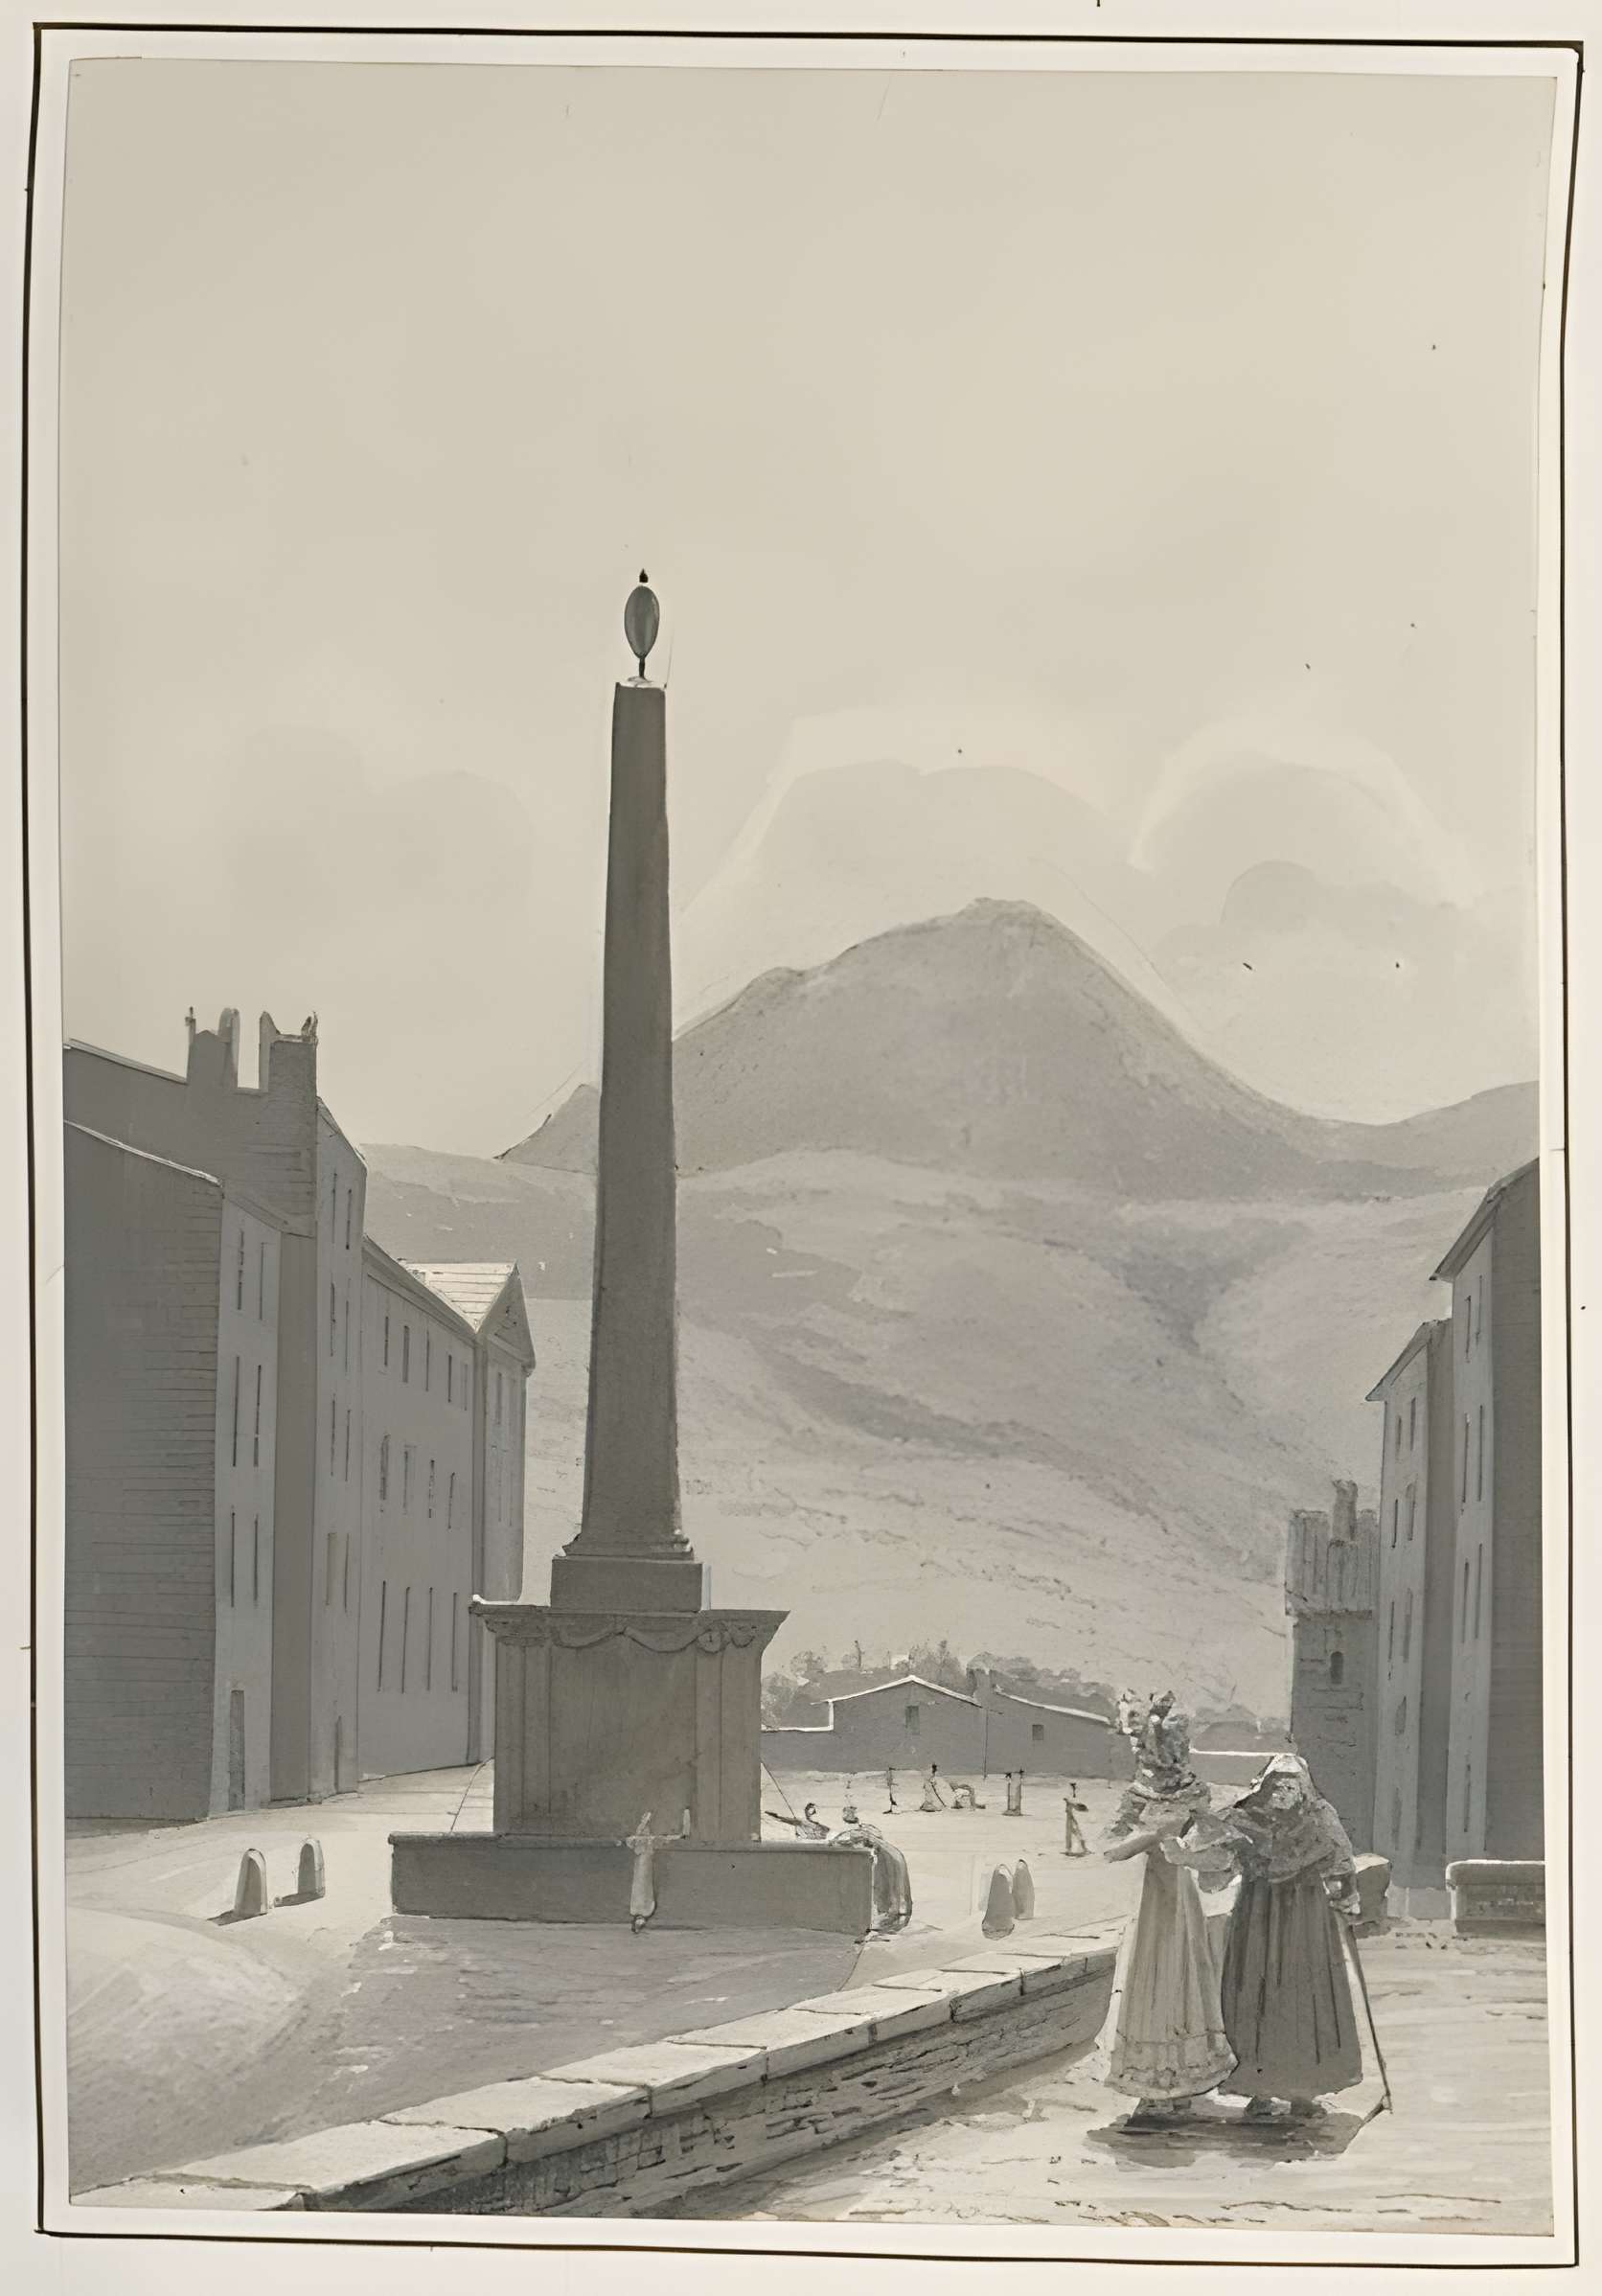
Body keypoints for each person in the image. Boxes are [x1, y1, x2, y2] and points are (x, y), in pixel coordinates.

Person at [1165, 1753, 1364, 2122]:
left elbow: (1342, 1862)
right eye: (1277, 1785)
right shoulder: (1246, 1819)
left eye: (1291, 1785)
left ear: (1303, 1789)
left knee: (1304, 1997)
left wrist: (1346, 1895)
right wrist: (1185, 1847)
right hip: (1258, 1916)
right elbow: (1212, 1844)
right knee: (1255, 1994)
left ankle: (1304, 2090)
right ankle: (1259, 2088)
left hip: (1306, 1920)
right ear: (1265, 1787)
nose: (1283, 1791)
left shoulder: (1320, 1820)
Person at [1094, 1692, 1234, 2125]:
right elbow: (1107, 1848)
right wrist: (1148, 1837)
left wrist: (1189, 1850)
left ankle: (1185, 2080)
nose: (1169, 1759)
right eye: (1160, 1751)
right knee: (1149, 1979)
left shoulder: (1196, 1792)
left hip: (1182, 1900)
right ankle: (1150, 2086)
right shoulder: (1137, 1794)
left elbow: (1220, 1848)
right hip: (1149, 1903)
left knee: (1184, 1978)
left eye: (1174, 1751)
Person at [832, 1810, 913, 1933]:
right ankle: (895, 1915)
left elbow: (843, 1840)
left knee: (885, 1887)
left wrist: (834, 1842)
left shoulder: (866, 1837)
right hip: (900, 1911)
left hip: (894, 1913)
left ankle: (891, 1916)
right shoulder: (888, 1849)